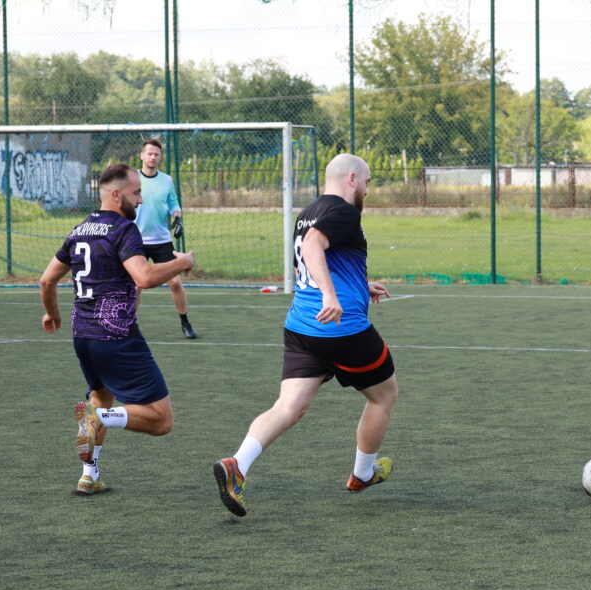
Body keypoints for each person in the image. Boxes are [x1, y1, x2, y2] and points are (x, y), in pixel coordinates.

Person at [212, 153, 397, 517]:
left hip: (301, 328)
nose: (367, 189)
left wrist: (359, 286)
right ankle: (362, 474)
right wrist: (332, 295)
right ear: (352, 179)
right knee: (384, 396)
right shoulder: (344, 211)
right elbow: (313, 247)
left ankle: (237, 465)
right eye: (367, 181)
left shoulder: (308, 212)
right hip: (341, 329)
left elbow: (316, 262)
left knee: (288, 407)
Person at [39, 163, 195, 496]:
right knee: (161, 420)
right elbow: (145, 277)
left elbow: (46, 280)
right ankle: (101, 418)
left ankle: (89, 475)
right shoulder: (124, 229)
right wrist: (182, 263)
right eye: (136, 193)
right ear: (115, 194)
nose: (140, 200)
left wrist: (51, 313)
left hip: (83, 336)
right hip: (117, 337)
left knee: (100, 397)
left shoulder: (79, 230)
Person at [135, 137, 198, 339]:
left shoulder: (167, 180)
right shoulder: (132, 178)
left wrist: (177, 217)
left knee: (175, 283)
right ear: (142, 156)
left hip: (162, 241)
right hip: (136, 241)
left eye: (156, 154)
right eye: (149, 153)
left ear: (160, 157)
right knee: (135, 286)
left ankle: (185, 322)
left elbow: (173, 203)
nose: (153, 157)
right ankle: (129, 326)